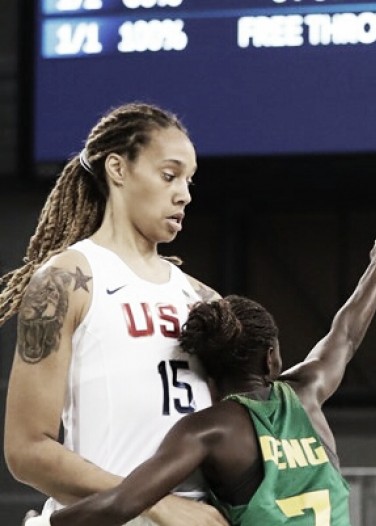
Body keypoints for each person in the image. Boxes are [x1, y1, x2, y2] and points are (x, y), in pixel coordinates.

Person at [21, 203, 376, 526]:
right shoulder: (306, 392)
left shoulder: (208, 429)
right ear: (271, 356)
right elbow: (345, 335)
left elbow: (123, 503)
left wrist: (46, 524)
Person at [2, 103, 228, 526]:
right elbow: (26, 449)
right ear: (118, 169)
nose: (185, 193)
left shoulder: (203, 298)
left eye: (189, 180)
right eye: (169, 175)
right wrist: (155, 502)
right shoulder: (67, 279)